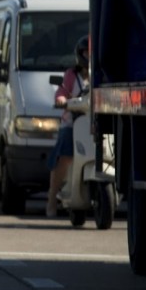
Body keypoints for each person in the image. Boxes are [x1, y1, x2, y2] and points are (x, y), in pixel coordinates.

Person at [46, 35, 90, 217]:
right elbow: (62, 92)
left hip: (94, 122)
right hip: (73, 121)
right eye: (87, 53)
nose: (90, 57)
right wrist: (62, 100)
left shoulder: (101, 73)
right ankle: (51, 198)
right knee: (65, 154)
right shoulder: (72, 75)